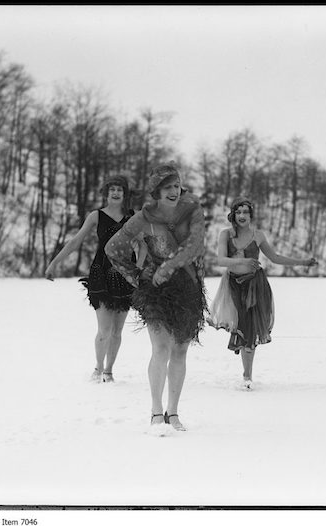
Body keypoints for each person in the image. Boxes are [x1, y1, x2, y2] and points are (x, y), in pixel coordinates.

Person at [105, 162, 206, 432]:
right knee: (161, 349)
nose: (174, 191)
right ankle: (155, 411)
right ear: (157, 191)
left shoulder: (193, 212)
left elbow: (196, 245)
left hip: (188, 287)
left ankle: (173, 412)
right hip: (155, 290)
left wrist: (175, 268)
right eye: (167, 187)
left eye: (176, 185)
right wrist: (133, 276)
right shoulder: (144, 218)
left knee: (181, 350)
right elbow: (113, 247)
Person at [208, 197, 318, 390]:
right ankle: (246, 373)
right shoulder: (226, 235)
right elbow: (220, 260)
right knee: (241, 324)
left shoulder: (257, 235)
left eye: (246, 212)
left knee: (250, 327)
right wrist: (240, 262)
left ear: (251, 215)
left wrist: (303, 262)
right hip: (234, 285)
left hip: (255, 285)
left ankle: (247, 375)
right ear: (233, 215)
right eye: (238, 212)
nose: (242, 216)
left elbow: (275, 258)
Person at [45, 175, 137, 383]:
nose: (115, 193)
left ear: (124, 194)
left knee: (117, 330)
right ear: (106, 193)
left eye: (119, 190)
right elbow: (75, 241)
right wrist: (54, 263)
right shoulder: (96, 216)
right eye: (112, 189)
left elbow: (143, 243)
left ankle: (109, 371)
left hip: (124, 274)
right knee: (104, 329)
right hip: (101, 274)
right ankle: (98, 367)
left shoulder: (133, 217)